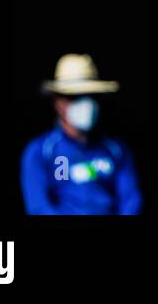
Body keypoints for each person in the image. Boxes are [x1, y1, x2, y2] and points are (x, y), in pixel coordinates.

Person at [21, 53, 142, 214]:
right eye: (74, 97)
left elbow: (131, 200)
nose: (85, 103)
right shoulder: (41, 152)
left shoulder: (116, 149)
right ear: (58, 102)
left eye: (90, 96)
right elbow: (39, 207)